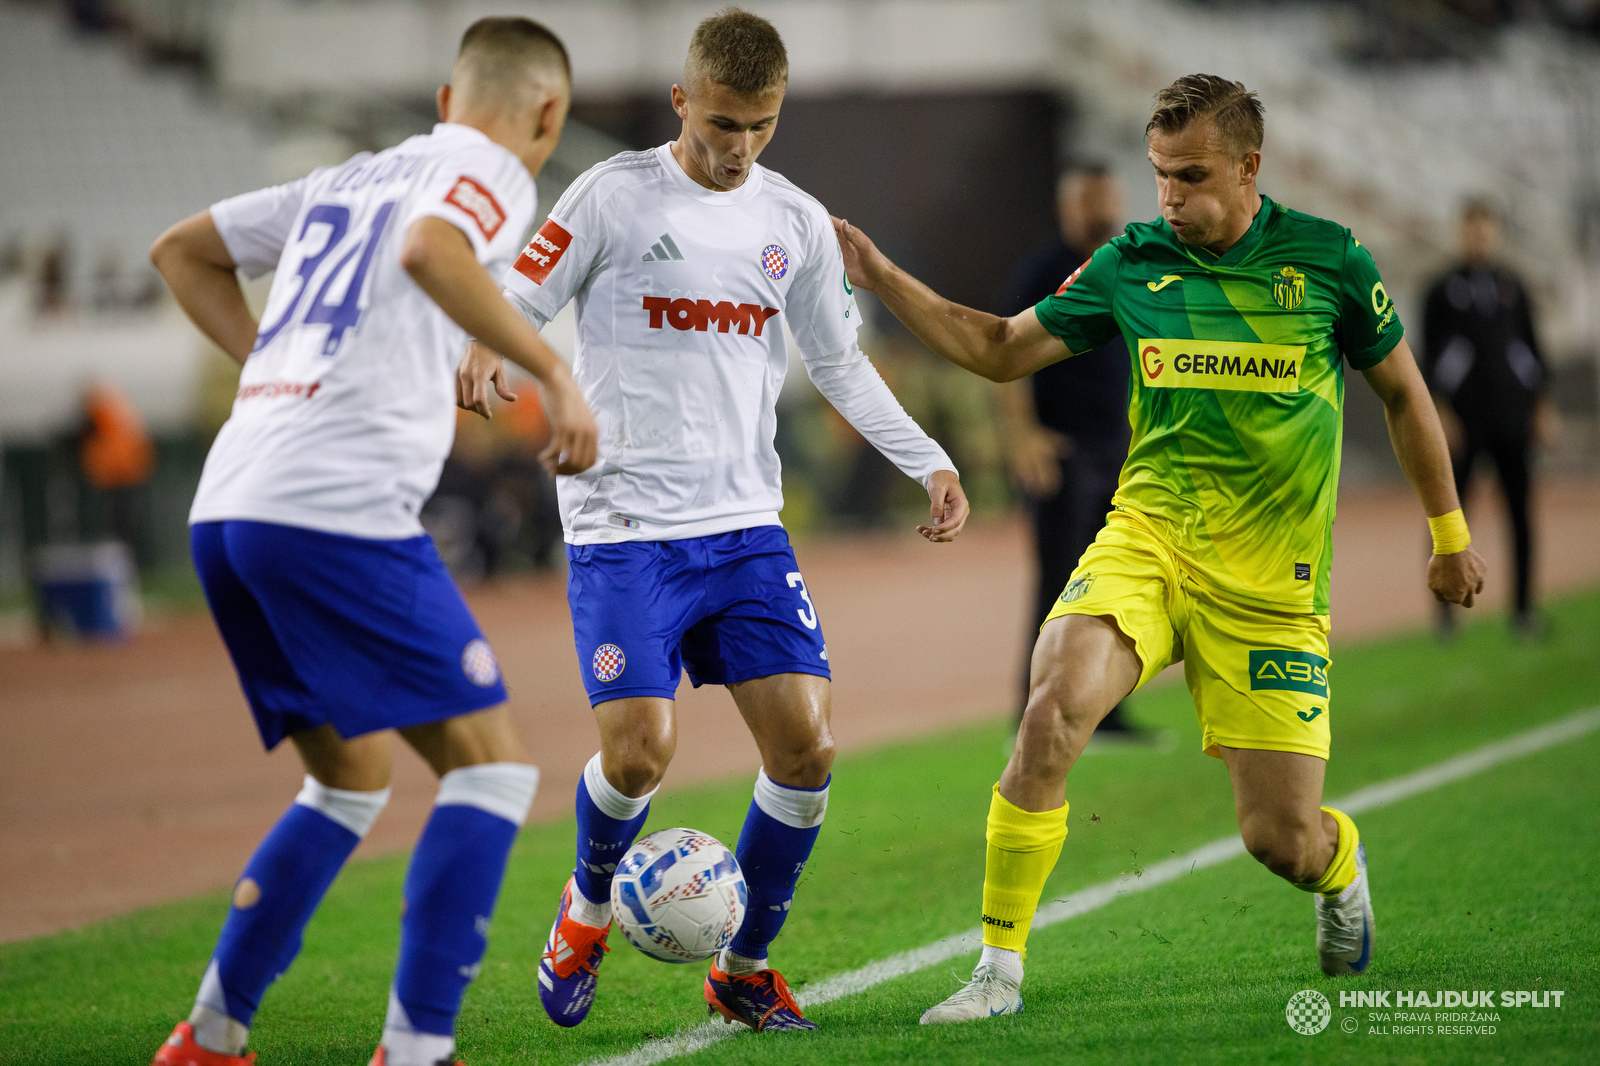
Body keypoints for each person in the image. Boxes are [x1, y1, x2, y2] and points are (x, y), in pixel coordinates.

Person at [833, 74, 1487, 1023]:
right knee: (1053, 700)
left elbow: (1404, 395)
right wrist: (883, 276)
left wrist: (1449, 535)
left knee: (1280, 840)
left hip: (1270, 585)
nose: (1169, 199)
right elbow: (1001, 348)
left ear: (1249, 169)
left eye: (1190, 178)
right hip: (1149, 540)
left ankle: (1340, 869)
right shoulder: (1132, 264)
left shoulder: (1331, 261)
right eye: (1159, 178)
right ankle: (997, 970)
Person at [457, 6, 966, 1036]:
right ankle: (585, 910)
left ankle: (744, 967)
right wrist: (488, 348)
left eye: (760, 126)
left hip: (742, 527)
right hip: (622, 528)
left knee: (808, 750)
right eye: (722, 123)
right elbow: (518, 287)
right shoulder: (611, 195)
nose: (738, 148)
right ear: (681, 101)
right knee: (640, 752)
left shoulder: (794, 223)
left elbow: (836, 365)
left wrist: (930, 458)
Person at [146, 19, 596, 1066]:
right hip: (332, 507)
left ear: (445, 98)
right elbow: (431, 248)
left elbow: (182, 250)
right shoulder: (493, 169)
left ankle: (211, 1033)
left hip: (232, 503)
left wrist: (284, 371)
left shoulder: (344, 175)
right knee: (491, 770)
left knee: (346, 778)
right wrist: (555, 372)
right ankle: (417, 1047)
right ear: (547, 115)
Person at [993, 163, 1145, 739]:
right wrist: (1023, 436)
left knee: (1112, 586)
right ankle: (1029, 714)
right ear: (1067, 208)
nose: (1102, 212)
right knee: (1059, 584)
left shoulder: (1125, 268)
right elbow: (1002, 355)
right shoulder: (1041, 271)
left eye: (1108, 199)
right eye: (1090, 202)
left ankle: (1107, 710)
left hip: (1117, 452)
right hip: (1063, 454)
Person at [1422, 200, 1553, 637]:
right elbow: (1428, 357)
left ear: (1495, 232)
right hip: (1463, 421)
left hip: (1512, 418)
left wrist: (1542, 406)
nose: (1479, 236)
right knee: (1451, 514)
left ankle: (1523, 610)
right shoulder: (1441, 290)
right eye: (1471, 228)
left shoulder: (1513, 285)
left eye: (1485, 228)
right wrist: (1439, 411)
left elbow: (1531, 350)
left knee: (1520, 513)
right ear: (1461, 232)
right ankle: (1446, 613)